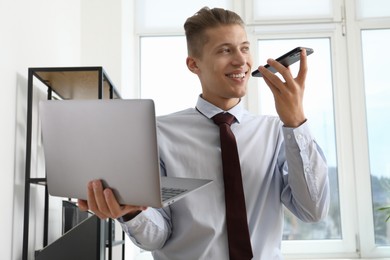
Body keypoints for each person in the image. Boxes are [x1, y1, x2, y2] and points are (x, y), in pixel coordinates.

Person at [78, 6, 330, 260]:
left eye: (244, 48)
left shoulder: (276, 132)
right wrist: (132, 213)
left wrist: (296, 122)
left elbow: (313, 210)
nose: (241, 61)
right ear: (193, 64)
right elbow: (157, 237)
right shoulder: (157, 134)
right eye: (225, 50)